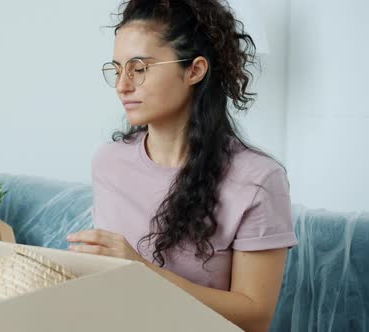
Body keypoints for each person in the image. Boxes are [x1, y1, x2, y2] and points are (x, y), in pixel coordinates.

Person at [66, 1, 298, 331]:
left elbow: (255, 317)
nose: (122, 85)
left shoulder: (258, 179)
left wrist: (142, 271)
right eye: (117, 69)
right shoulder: (109, 162)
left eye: (140, 68)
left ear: (194, 70)